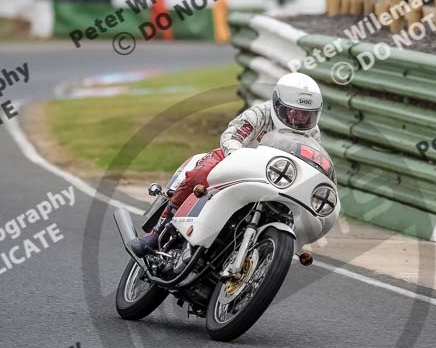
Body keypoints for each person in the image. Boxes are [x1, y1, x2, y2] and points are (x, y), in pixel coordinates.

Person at [128, 73, 324, 257]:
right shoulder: (261, 113)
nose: (299, 118)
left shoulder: (313, 134)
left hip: (273, 178)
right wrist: (237, 156)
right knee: (201, 174)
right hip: (238, 160)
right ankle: (159, 230)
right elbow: (232, 135)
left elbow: (312, 165)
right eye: (294, 112)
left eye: (306, 115)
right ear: (279, 105)